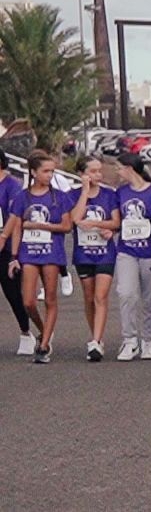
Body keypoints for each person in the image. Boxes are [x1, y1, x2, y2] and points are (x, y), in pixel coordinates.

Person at [4, 153, 73, 363]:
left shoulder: (59, 197)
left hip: (52, 252)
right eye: (45, 171)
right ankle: (45, 331)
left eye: (52, 171)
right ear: (33, 172)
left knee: (50, 298)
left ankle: (43, 347)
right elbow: (16, 228)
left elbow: (66, 226)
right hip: (28, 253)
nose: (49, 175)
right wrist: (14, 256)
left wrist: (41, 225)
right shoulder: (22, 197)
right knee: (29, 302)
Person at [111, 155, 151, 360]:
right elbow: (117, 220)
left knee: (150, 299)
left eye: (119, 168)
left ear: (129, 168)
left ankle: (148, 340)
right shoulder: (121, 192)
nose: (117, 172)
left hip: (150, 251)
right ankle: (129, 340)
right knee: (126, 293)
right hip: (126, 251)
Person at [68, 156, 120, 362]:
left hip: (105, 253)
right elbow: (75, 218)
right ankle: (95, 337)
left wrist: (106, 229)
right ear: (82, 174)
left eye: (99, 171)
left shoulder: (109, 194)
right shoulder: (72, 195)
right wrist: (84, 191)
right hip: (83, 254)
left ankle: (96, 342)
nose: (98, 175)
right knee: (89, 298)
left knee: (101, 296)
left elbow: (116, 221)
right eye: (93, 171)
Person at [0, 159, 30, 356]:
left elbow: (15, 215)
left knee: (13, 292)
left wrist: (4, 238)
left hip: (7, 245)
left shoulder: (12, 185)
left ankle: (26, 332)